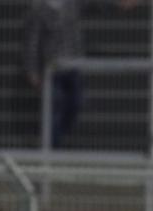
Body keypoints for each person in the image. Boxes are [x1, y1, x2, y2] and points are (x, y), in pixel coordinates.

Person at [24, 0, 138, 148]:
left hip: (73, 66)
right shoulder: (39, 10)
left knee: (75, 103)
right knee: (54, 107)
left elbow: (96, 5)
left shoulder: (72, 4)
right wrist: (32, 71)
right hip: (52, 69)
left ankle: (55, 141)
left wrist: (119, 5)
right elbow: (31, 43)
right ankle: (52, 147)